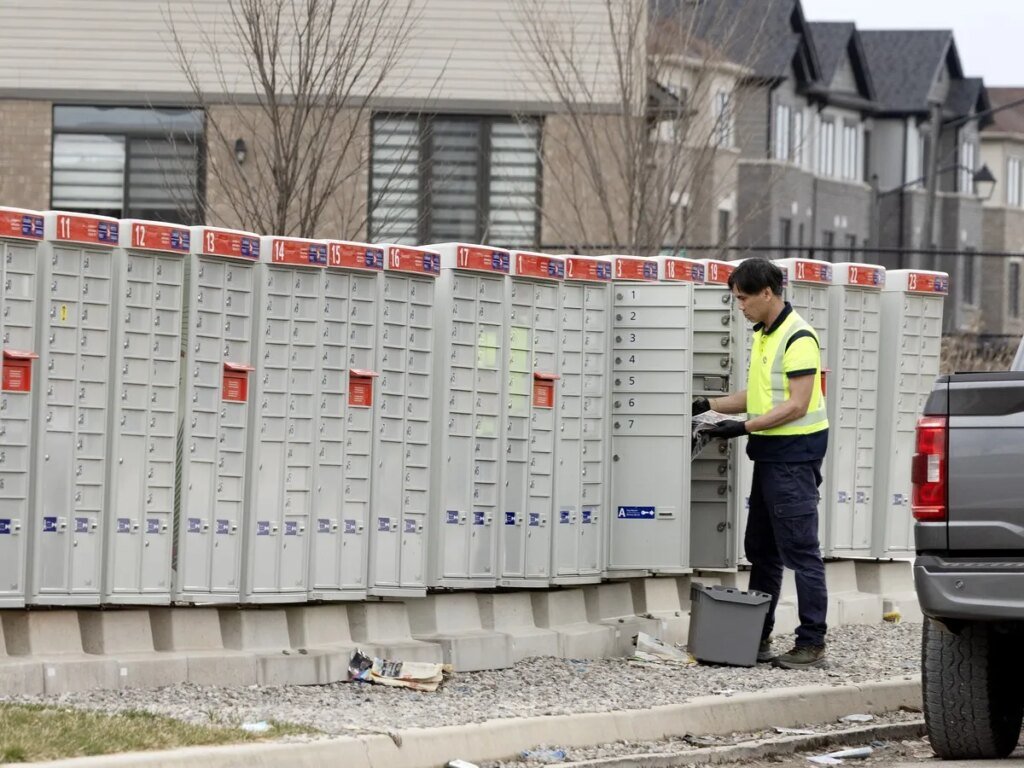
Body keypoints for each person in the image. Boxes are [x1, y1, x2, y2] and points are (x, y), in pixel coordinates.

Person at [693, 257, 829, 670]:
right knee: (763, 551)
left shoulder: (798, 336)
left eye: (743, 298)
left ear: (767, 293)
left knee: (801, 551)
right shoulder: (765, 335)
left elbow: (796, 404)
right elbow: (758, 396)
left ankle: (811, 643)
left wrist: (742, 428)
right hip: (771, 458)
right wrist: (707, 405)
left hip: (794, 459)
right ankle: (758, 636)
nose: (740, 307)